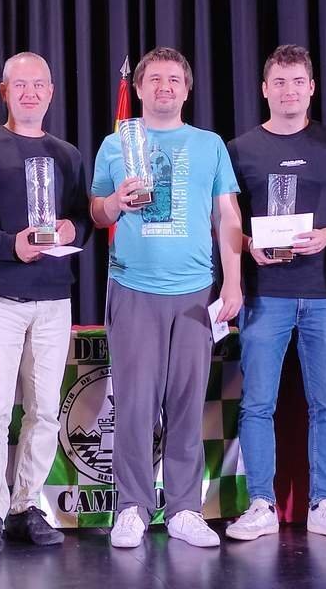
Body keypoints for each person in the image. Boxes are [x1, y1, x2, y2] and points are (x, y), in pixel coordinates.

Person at [89, 46, 244, 549]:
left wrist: (234, 281)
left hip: (195, 292)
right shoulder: (116, 142)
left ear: (187, 89)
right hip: (133, 287)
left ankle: (184, 509)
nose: (164, 87)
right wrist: (114, 203)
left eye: (174, 79)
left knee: (186, 404)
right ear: (138, 88)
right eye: (154, 78)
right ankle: (131, 508)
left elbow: (227, 215)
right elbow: (96, 212)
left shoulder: (210, 144)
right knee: (134, 405)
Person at [224, 45, 326, 543]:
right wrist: (249, 245)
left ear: (311, 88)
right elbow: (225, 218)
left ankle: (324, 504)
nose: (289, 91)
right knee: (257, 403)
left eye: (297, 82)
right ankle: (261, 504)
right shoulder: (239, 149)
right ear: (264, 89)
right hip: (265, 294)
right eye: (279, 82)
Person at [0, 51, 92, 553]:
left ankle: (26, 504)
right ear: (4, 92)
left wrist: (73, 229)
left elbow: (83, 218)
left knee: (46, 410)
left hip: (55, 297)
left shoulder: (68, 154)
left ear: (51, 93)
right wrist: (7, 245)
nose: (30, 93)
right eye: (20, 85)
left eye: (39, 85)